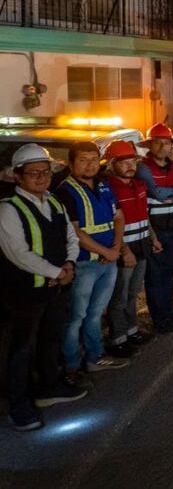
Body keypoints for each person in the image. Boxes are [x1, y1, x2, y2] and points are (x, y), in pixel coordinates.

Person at [0, 144, 84, 432]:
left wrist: (69, 266)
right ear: (18, 177)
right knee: (20, 350)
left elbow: (71, 237)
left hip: (55, 288)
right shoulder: (8, 210)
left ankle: (49, 387)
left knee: (50, 339)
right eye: (33, 173)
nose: (41, 177)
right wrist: (57, 272)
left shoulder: (55, 202)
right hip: (24, 294)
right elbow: (18, 253)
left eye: (45, 172)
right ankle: (18, 406)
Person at [55, 142, 129, 377]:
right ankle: (71, 366)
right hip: (85, 264)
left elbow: (118, 217)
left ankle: (95, 356)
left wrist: (116, 247)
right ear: (71, 163)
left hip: (108, 260)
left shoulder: (104, 186)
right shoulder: (65, 191)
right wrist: (108, 252)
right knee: (75, 316)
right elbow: (75, 232)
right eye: (83, 160)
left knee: (95, 313)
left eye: (94, 159)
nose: (90, 165)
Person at [136, 124, 173, 335]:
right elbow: (158, 193)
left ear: (171, 146)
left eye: (166, 143)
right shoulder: (144, 168)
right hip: (156, 231)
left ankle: (168, 313)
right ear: (150, 145)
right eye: (157, 142)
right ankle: (160, 319)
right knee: (155, 276)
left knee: (169, 273)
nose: (162, 146)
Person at [102, 140, 154, 358]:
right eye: (124, 162)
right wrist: (124, 251)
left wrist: (154, 238)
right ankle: (117, 338)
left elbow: (145, 216)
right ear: (112, 163)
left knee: (133, 292)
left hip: (141, 246)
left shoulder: (139, 185)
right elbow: (112, 223)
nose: (130, 165)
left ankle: (131, 330)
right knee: (119, 297)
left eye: (133, 160)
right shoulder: (109, 189)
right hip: (127, 251)